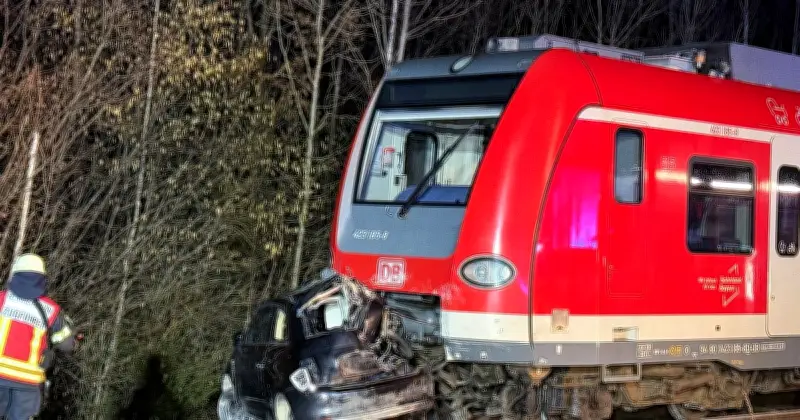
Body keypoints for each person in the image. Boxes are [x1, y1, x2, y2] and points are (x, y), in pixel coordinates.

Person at [0, 253, 76, 420]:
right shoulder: (50, 310)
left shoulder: (2, 300)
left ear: (15, 274)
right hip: (28, 384)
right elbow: (67, 345)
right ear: (42, 279)